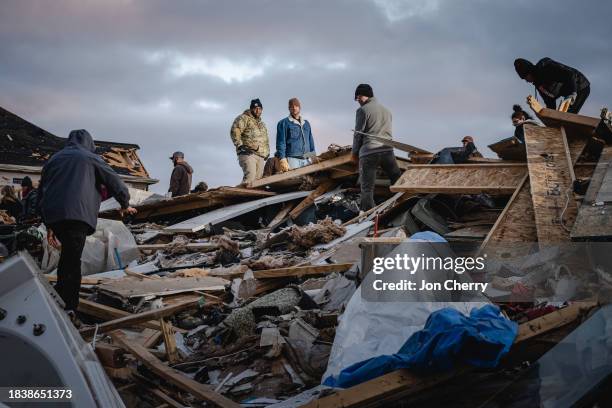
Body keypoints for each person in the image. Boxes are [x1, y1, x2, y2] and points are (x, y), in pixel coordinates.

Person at [38, 129, 136, 312]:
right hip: (78, 217)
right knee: (72, 261)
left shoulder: (54, 159)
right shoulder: (90, 158)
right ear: (90, 144)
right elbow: (115, 182)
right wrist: (125, 203)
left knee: (67, 258)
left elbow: (41, 192)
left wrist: (48, 223)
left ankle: (60, 298)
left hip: (56, 217)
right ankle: (69, 307)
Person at [351, 84, 401, 211]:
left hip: (369, 153)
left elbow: (358, 134)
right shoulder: (387, 111)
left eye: (358, 97)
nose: (357, 101)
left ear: (364, 95)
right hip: (388, 151)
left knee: (367, 187)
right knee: (397, 181)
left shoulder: (363, 111)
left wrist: (354, 153)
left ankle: (368, 216)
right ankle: (400, 206)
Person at [514, 57, 590, 114]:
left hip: (581, 86)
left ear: (530, 72)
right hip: (567, 92)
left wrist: (573, 92)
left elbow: (570, 74)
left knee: (570, 115)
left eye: (526, 77)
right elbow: (550, 102)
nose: (526, 81)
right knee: (562, 117)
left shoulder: (545, 67)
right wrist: (550, 116)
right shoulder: (539, 85)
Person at [230, 98, 270, 184]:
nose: (257, 110)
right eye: (255, 108)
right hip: (248, 153)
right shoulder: (244, 118)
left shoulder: (262, 124)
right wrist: (240, 145)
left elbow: (265, 139)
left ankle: (255, 197)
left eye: (259, 108)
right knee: (250, 177)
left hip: (260, 155)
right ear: (251, 108)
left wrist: (266, 152)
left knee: (258, 180)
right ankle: (241, 197)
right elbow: (235, 130)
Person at [276, 98, 316, 172]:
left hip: (306, 160)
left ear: (299, 107)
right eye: (291, 106)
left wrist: (313, 157)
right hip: (292, 160)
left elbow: (311, 141)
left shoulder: (306, 123)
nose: (294, 108)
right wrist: (282, 159)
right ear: (289, 108)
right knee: (295, 181)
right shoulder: (283, 123)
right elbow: (281, 142)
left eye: (296, 106)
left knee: (309, 181)